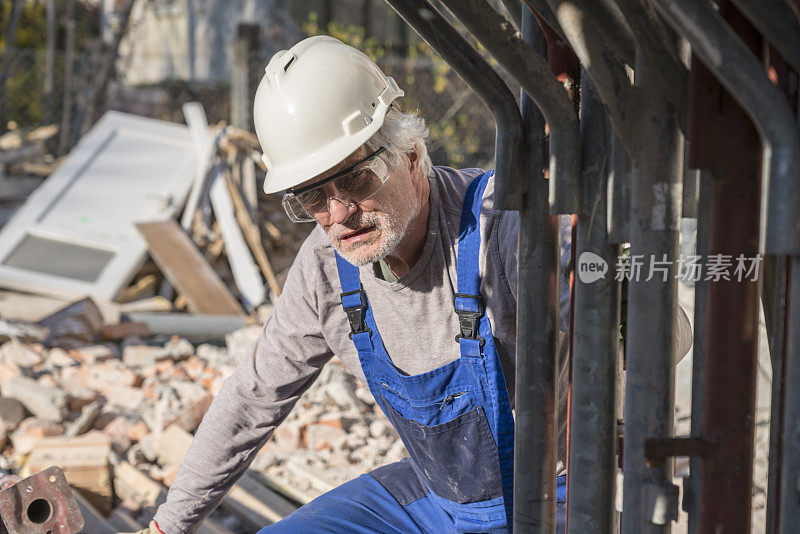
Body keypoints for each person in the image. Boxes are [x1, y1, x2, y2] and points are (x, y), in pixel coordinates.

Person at [127, 35, 692, 534]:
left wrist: (604, 280)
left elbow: (669, 340)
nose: (338, 212)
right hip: (433, 498)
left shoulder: (505, 225)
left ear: (413, 154)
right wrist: (164, 527)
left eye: (354, 177)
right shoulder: (326, 268)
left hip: (552, 497)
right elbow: (252, 398)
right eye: (311, 198)